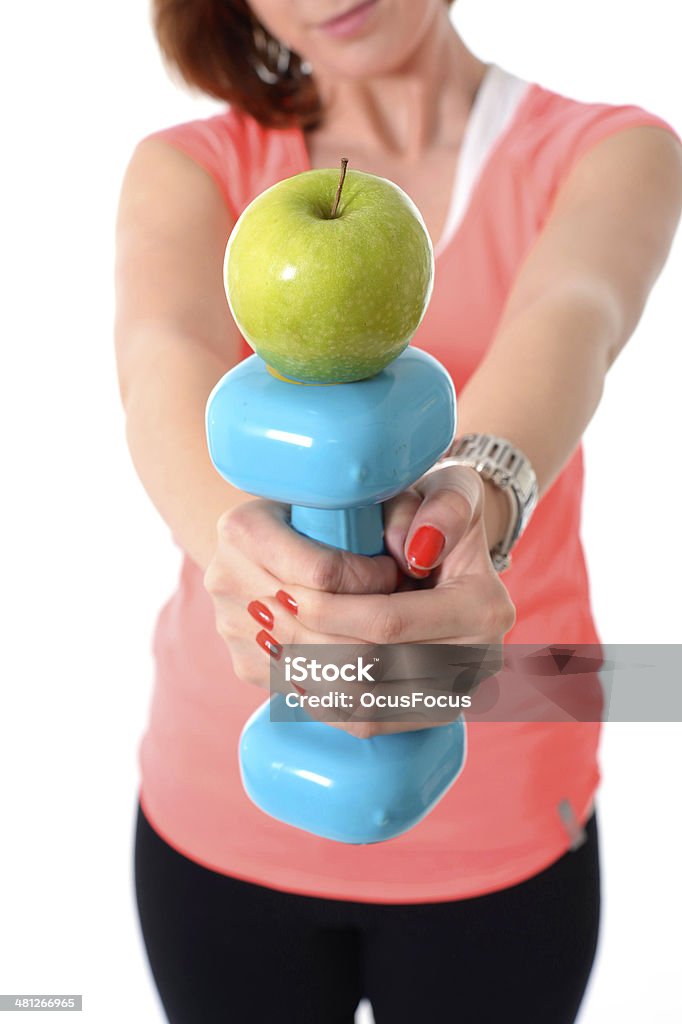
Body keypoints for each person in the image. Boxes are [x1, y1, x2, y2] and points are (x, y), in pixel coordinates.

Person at [115, 1, 682, 1021]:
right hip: (223, 802)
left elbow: (572, 317)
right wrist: (244, 560)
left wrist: (479, 490)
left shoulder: (611, 150)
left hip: (507, 802)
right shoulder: (187, 166)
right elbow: (161, 365)